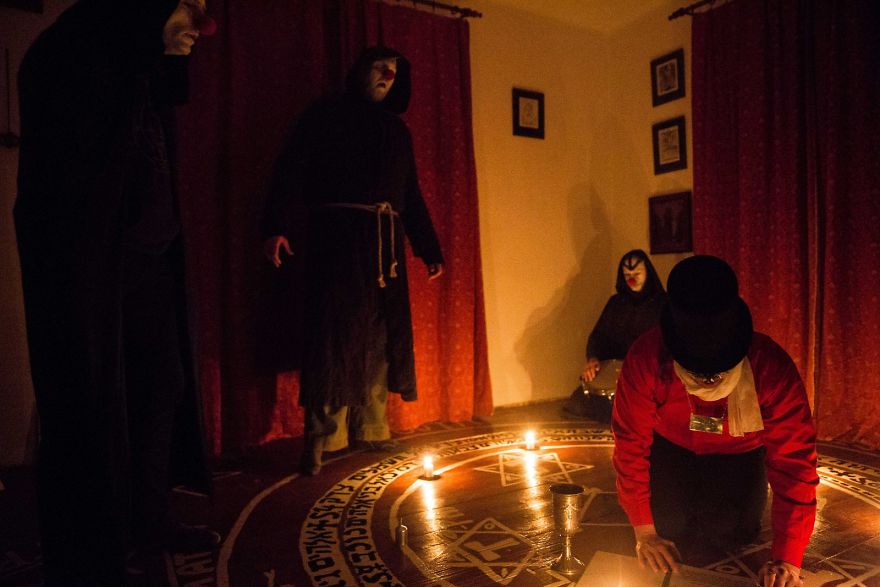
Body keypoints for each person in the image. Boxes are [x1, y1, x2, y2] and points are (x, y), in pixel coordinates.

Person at [14, 1, 219, 583]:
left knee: (161, 387)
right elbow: (71, 196)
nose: (202, 25)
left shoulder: (135, 68)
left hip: (148, 265)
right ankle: (92, 549)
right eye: (190, 4)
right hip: (94, 274)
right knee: (93, 402)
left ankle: (148, 520)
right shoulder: (72, 55)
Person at [261, 46, 444, 476]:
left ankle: (373, 429)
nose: (387, 76)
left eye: (394, 72)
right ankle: (325, 437)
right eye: (380, 68)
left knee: (379, 339)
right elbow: (290, 171)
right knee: (333, 337)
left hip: (385, 246)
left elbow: (411, 196)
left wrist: (429, 249)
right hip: (337, 243)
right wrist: (275, 227)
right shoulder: (324, 117)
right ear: (359, 71)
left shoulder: (399, 133)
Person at [612, 255, 818, 587]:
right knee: (667, 526)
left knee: (733, 531)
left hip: (741, 454)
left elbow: (795, 464)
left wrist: (786, 559)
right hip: (671, 448)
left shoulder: (771, 367)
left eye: (717, 369)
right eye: (697, 370)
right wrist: (643, 530)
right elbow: (630, 443)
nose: (709, 383)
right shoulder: (646, 357)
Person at [563, 249, 665, 421]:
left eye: (637, 273)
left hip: (648, 376)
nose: (632, 278)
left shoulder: (663, 304)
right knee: (576, 406)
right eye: (627, 274)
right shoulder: (615, 303)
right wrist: (593, 358)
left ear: (648, 272)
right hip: (615, 373)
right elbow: (598, 336)